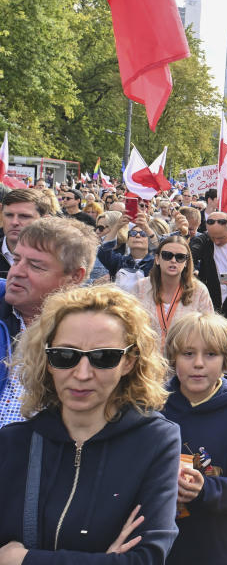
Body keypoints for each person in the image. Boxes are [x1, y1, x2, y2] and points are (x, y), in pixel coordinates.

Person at [0, 284, 179, 562]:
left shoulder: (156, 440)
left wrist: (23, 559)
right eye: (65, 356)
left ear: (129, 362)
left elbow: (146, 558)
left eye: (103, 357)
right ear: (47, 360)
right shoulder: (12, 442)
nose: (82, 374)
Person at [161, 312, 227, 565]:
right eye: (188, 353)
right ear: (173, 357)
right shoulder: (155, 405)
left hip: (214, 548)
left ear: (226, 360)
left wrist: (205, 489)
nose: (198, 363)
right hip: (159, 546)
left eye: (210, 354)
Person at [0, 217, 99, 427]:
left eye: (35, 266)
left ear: (74, 277)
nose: (16, 272)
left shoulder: (95, 337)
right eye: (16, 260)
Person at [132, 235, 214, 349]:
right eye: (167, 255)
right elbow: (130, 327)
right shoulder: (140, 287)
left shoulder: (199, 291)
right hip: (148, 362)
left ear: (186, 262)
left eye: (180, 257)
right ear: (157, 259)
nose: (173, 260)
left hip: (183, 362)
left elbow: (210, 332)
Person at [0, 188, 51, 279]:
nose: (14, 222)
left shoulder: (57, 259)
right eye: (9, 215)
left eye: (24, 216)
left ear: (45, 220)